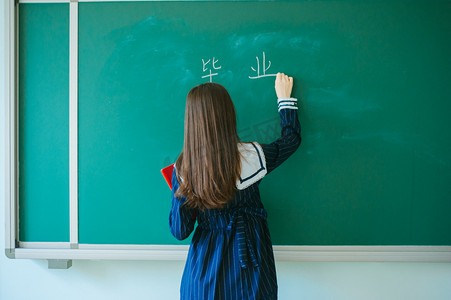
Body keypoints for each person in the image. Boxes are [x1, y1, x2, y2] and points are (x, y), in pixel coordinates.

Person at [169, 73, 301, 300]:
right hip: (250, 266)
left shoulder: (184, 169)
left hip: (205, 276)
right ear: (228, 115)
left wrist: (183, 191)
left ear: (190, 122)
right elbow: (290, 140)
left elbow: (180, 231)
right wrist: (284, 100)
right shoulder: (252, 156)